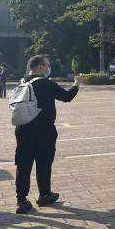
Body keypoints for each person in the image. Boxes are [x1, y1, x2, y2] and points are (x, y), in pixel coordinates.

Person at [15, 54, 80, 214]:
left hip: (23, 130)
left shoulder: (22, 82)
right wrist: (76, 84)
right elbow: (67, 97)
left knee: (23, 166)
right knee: (43, 164)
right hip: (44, 131)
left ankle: (21, 200)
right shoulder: (46, 83)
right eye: (47, 65)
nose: (49, 68)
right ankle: (44, 195)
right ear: (40, 67)